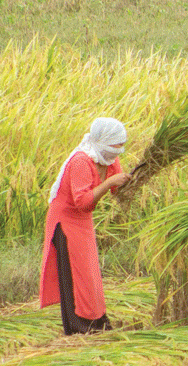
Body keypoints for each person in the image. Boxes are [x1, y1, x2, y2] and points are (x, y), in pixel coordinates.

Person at [39, 118, 132, 335]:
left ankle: (99, 323)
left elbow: (119, 191)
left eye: (121, 145)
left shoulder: (109, 159)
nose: (119, 150)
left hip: (83, 221)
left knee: (90, 274)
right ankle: (79, 328)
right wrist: (109, 183)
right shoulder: (82, 161)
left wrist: (133, 181)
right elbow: (82, 203)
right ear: (102, 142)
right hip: (66, 220)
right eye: (116, 145)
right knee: (74, 274)